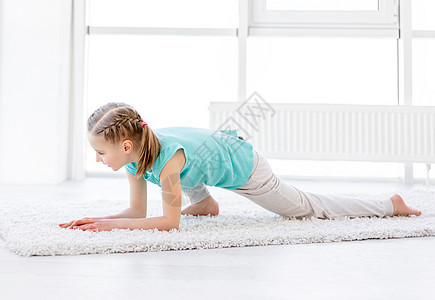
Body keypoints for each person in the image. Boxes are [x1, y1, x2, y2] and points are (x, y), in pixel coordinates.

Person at [59, 102, 422, 232]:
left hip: (245, 168)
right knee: (185, 171)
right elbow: (137, 211)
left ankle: (388, 204)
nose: (97, 159)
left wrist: (108, 225)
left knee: (307, 209)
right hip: (206, 159)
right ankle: (205, 202)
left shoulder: (166, 162)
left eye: (100, 153)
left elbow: (170, 223)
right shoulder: (136, 156)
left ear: (124, 146)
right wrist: (103, 221)